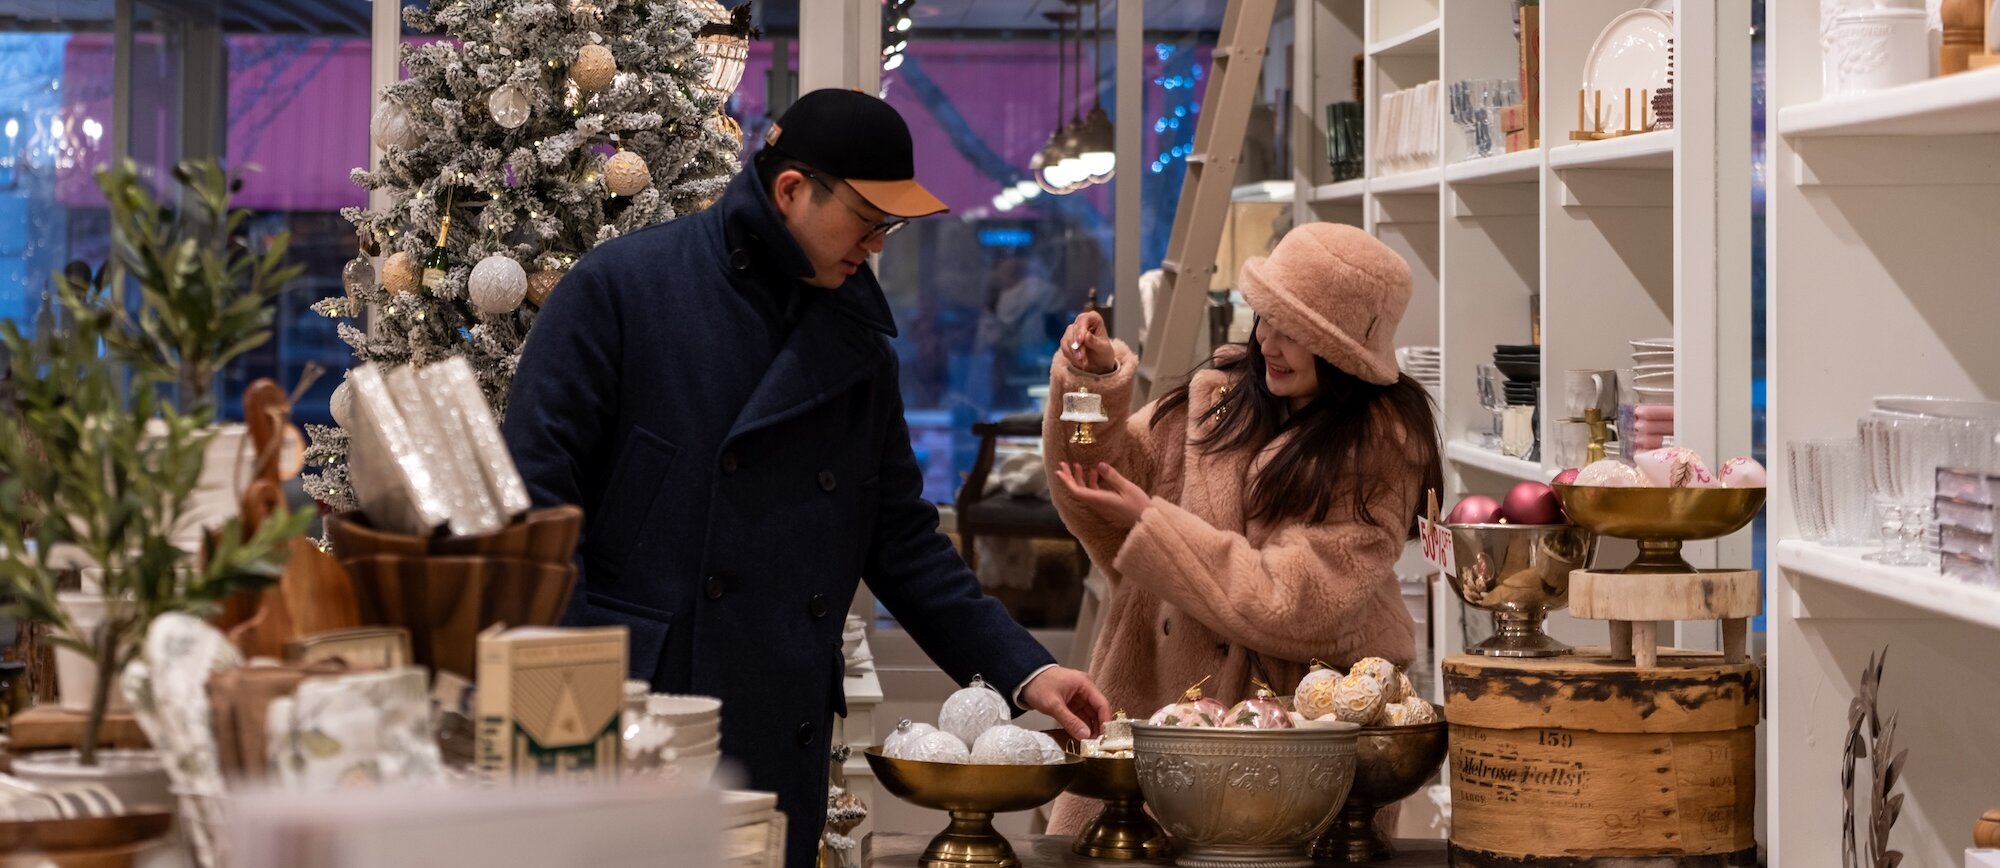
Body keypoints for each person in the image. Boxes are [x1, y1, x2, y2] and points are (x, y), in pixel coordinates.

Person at [502, 89, 1110, 867]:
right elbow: (534, 505)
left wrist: (1031, 669)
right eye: (868, 220)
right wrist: (579, 701)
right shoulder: (623, 289)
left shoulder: (858, 344)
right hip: (641, 712)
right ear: (793, 191)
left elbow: (901, 539)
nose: (879, 245)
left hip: (774, 721)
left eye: (891, 226)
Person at [1039, 222, 1443, 832]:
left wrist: (1152, 523)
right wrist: (1091, 387)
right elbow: (1096, 484)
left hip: (1289, 755)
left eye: (1295, 330)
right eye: (1266, 318)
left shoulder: (1380, 452)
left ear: (1341, 348)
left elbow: (1296, 600)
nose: (1269, 341)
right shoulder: (1221, 400)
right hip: (1155, 707)